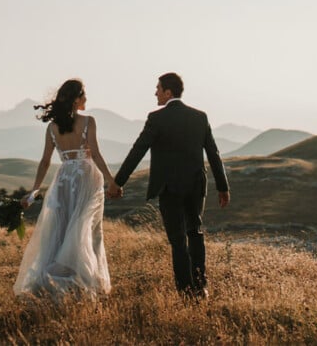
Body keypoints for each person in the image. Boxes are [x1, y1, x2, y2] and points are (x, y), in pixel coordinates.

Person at [112, 72, 230, 300]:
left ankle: (185, 291)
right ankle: (200, 286)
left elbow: (138, 151)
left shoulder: (156, 118)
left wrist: (119, 182)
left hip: (169, 188)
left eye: (158, 88)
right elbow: (213, 153)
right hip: (196, 185)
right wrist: (223, 187)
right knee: (195, 232)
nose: (155, 92)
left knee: (177, 240)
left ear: (168, 92)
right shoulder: (200, 117)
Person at [14, 79, 115, 299]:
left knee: (61, 229)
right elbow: (95, 154)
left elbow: (44, 161)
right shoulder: (89, 121)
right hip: (86, 178)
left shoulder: (52, 127)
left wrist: (34, 190)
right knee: (86, 228)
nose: (86, 99)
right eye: (84, 95)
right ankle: (84, 280)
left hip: (64, 180)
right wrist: (110, 180)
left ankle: (56, 279)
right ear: (76, 99)